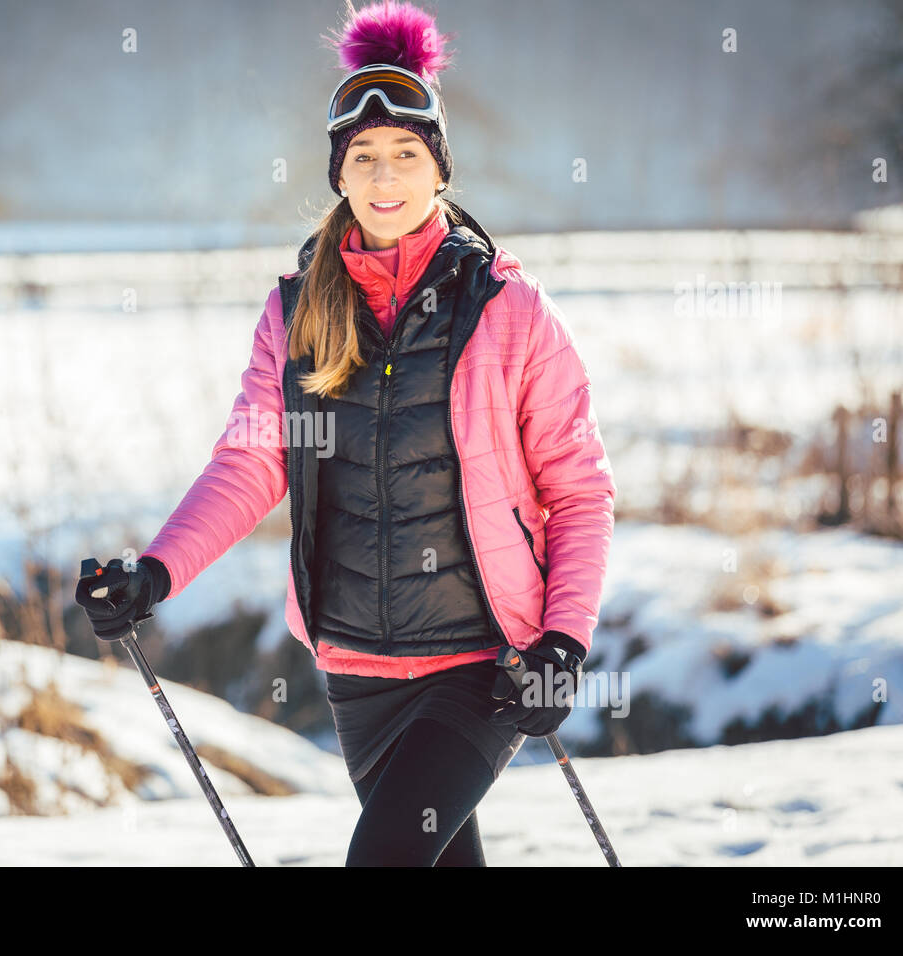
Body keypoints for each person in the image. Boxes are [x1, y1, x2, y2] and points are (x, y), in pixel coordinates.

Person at [76, 0, 615, 866]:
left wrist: (564, 640)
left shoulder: (507, 311)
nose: (385, 172)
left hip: (479, 661)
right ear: (338, 173)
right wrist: (155, 572)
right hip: (356, 668)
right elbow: (253, 461)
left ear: (440, 169)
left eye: (407, 152)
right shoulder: (298, 311)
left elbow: (579, 491)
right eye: (363, 156)